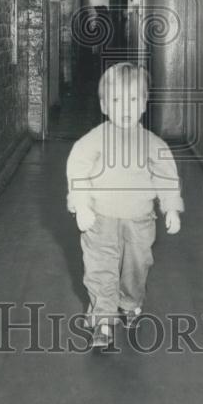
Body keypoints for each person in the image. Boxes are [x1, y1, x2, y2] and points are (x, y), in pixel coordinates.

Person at [66, 62, 183, 349]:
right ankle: (103, 319)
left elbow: (166, 175)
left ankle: (130, 303)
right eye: (116, 100)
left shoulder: (153, 144)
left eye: (133, 99)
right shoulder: (92, 141)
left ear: (144, 103)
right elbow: (77, 171)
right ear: (105, 105)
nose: (125, 107)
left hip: (140, 220)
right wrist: (81, 206)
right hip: (100, 219)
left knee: (137, 265)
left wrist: (171, 208)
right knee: (99, 268)